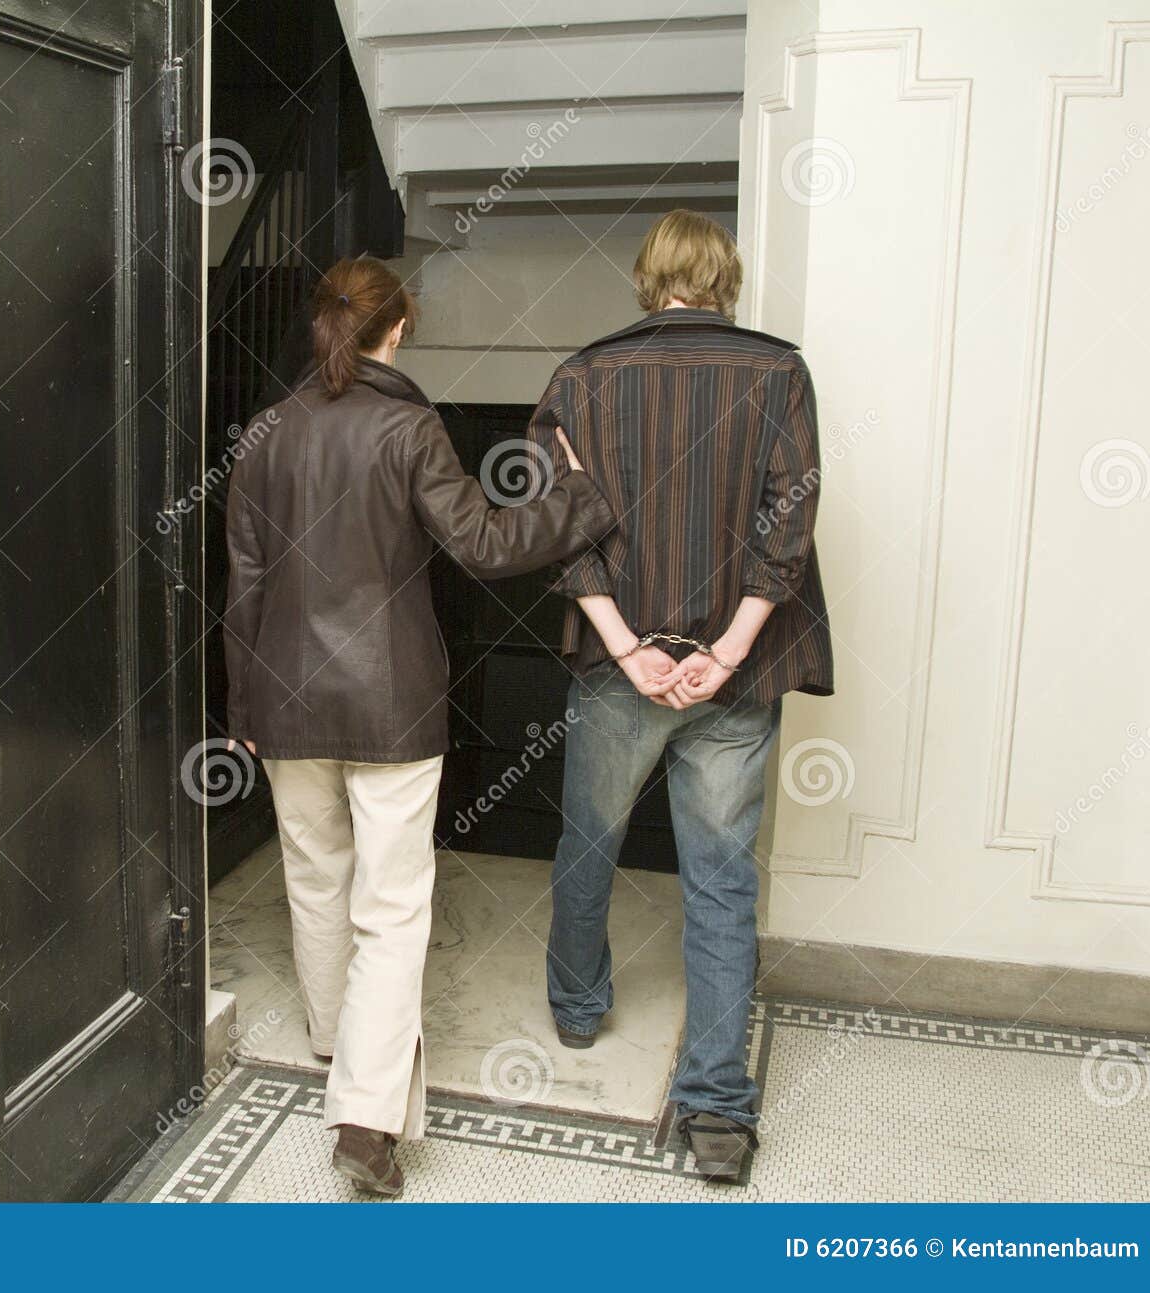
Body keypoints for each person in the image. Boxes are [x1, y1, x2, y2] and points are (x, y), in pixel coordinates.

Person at [223, 255, 614, 1196]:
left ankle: (334, 1041)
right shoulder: (409, 426)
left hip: (284, 699)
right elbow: (483, 543)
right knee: (392, 907)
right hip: (390, 701)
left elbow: (245, 580)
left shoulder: (267, 430)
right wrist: (578, 496)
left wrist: (242, 706)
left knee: (316, 879)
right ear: (396, 328)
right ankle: (365, 1119)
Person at [526, 209, 834, 1183]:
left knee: (589, 840)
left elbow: (558, 526)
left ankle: (577, 1009)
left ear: (646, 277)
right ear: (724, 278)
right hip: (735, 673)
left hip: (622, 667)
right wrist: (730, 649)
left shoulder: (581, 378)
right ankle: (716, 1110)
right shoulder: (779, 371)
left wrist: (628, 650)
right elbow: (788, 520)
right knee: (723, 876)